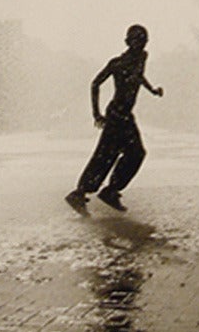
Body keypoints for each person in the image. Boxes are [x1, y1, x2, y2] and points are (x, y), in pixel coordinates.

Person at [66, 24, 163, 213]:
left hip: (127, 117)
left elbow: (139, 76)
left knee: (136, 154)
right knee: (105, 156)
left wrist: (152, 90)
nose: (141, 46)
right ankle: (79, 194)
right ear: (128, 42)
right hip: (115, 116)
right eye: (137, 41)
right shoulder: (117, 63)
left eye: (144, 41)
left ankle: (110, 191)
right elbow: (95, 83)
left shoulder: (142, 57)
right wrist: (96, 114)